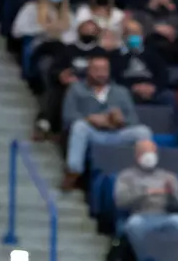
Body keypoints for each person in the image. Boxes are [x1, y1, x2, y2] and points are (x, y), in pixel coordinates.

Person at [63, 54, 151, 187]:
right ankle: (73, 172)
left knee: (143, 131)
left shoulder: (121, 91)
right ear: (88, 71)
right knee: (79, 126)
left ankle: (145, 171)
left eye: (104, 70)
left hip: (117, 133)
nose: (101, 73)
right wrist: (89, 119)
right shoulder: (76, 89)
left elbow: (134, 120)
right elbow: (68, 116)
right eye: (96, 70)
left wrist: (121, 121)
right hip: (93, 133)